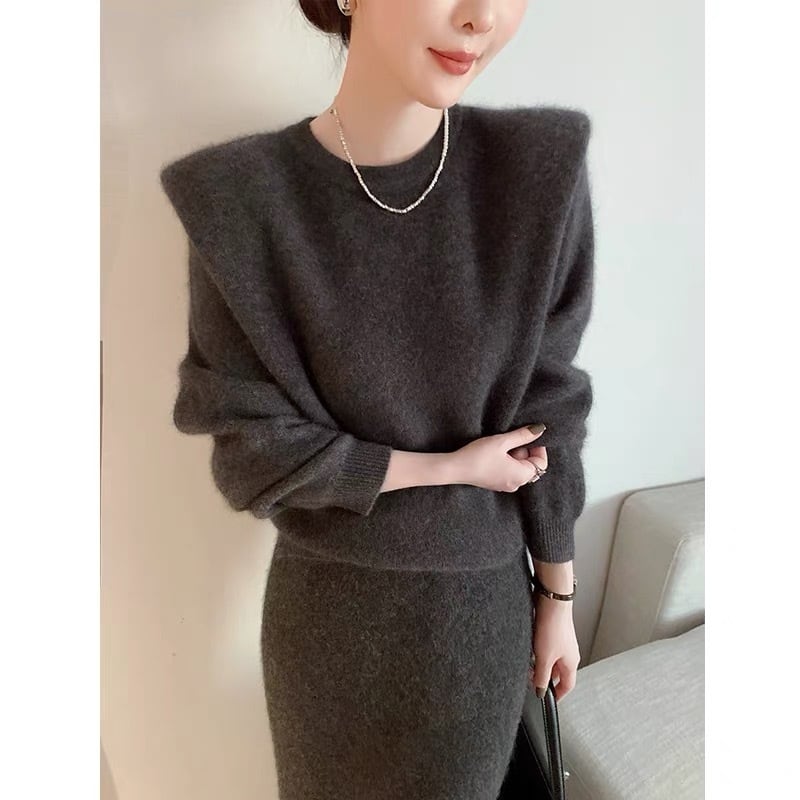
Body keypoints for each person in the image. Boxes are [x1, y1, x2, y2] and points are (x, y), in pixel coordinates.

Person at [159, 1, 595, 797]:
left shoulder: (536, 174)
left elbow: (550, 412)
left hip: (474, 621)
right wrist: (449, 467)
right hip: (324, 622)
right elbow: (250, 456)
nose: (483, 16)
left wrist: (558, 598)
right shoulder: (237, 201)